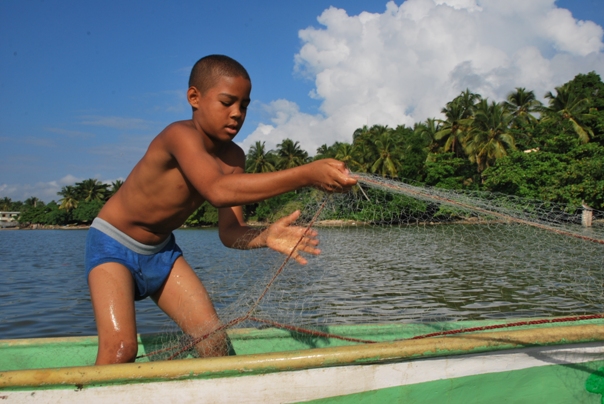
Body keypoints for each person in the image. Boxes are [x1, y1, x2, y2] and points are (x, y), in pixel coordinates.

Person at [85, 54, 357, 365]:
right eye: (227, 102)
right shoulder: (179, 135)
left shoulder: (234, 158)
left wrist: (265, 236)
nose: (237, 114)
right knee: (121, 349)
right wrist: (306, 175)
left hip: (161, 253)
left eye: (244, 105)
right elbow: (215, 191)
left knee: (213, 342)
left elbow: (230, 233)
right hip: (113, 245)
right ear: (194, 97)